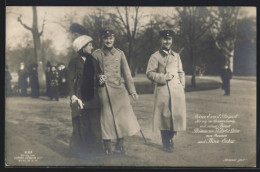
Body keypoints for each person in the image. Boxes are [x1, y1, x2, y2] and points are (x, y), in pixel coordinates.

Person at [92, 26, 140, 155]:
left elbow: (127, 73)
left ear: (114, 38)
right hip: (104, 90)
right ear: (102, 39)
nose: (108, 40)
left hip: (119, 90)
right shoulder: (96, 54)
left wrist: (132, 91)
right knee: (106, 118)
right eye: (106, 38)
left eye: (111, 38)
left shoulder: (120, 53)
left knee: (122, 118)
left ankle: (120, 145)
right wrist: (98, 78)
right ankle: (107, 145)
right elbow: (92, 73)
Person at [146, 29, 186, 153]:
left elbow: (181, 72)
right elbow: (149, 73)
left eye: (169, 39)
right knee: (164, 117)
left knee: (176, 117)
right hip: (163, 90)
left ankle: (170, 137)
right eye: (165, 39)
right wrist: (163, 78)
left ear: (172, 40)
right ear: (161, 40)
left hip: (176, 91)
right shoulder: (155, 56)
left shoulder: (177, 55)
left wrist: (182, 85)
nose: (167, 41)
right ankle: (166, 142)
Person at [67, 35, 102, 158]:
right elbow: (70, 81)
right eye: (90, 45)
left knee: (95, 127)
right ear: (82, 47)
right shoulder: (74, 62)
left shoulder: (93, 61)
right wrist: (73, 97)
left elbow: (98, 79)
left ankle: (95, 153)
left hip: (94, 99)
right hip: (79, 99)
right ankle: (79, 153)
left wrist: (101, 81)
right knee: (80, 126)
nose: (92, 47)